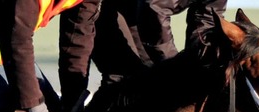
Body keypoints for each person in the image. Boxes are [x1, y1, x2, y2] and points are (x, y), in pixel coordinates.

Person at [92, 0, 227, 85]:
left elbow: (207, 21)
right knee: (123, 76)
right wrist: (174, 66)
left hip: (136, 10)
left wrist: (200, 68)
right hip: (100, 5)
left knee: (151, 76)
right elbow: (154, 9)